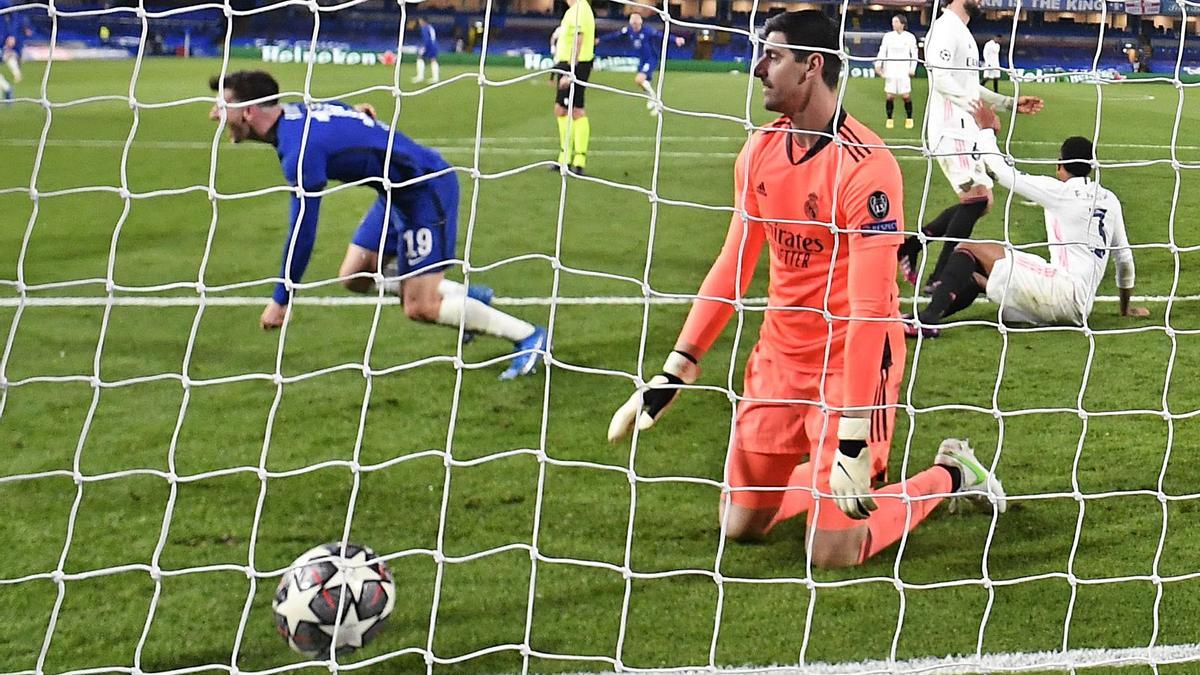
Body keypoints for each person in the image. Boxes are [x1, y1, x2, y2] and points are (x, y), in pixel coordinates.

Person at [606, 11, 1005, 569]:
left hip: (851, 365)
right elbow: (733, 264)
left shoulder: (867, 168)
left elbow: (870, 307)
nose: (758, 69)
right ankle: (825, 480)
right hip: (779, 360)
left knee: (833, 550)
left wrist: (853, 435)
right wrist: (677, 368)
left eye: (773, 56)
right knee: (739, 527)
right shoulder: (760, 153)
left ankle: (952, 471)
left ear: (813, 66)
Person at [207, 70, 547, 380]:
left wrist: (281, 298)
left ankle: (528, 336)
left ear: (248, 112)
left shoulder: (299, 151)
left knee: (420, 308)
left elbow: (303, 232)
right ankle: (467, 297)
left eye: (221, 107)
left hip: (425, 189)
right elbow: (337, 109)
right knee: (354, 276)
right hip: (394, 193)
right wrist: (358, 111)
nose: (214, 115)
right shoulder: (298, 113)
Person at [910, 102, 1148, 335]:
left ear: (1060, 164)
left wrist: (986, 130)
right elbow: (1124, 260)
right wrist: (1125, 309)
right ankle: (922, 317)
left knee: (967, 249)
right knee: (975, 274)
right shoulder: (1110, 200)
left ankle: (927, 319)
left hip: (1059, 292)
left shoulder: (1060, 192)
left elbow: (1001, 172)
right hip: (1081, 308)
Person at [896, 0, 1042, 301]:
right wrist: (976, 111)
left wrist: (1009, 103)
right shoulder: (944, 28)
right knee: (976, 198)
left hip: (964, 128)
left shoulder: (961, 31)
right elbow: (940, 77)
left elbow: (969, 84)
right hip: (950, 128)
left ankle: (913, 246)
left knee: (982, 200)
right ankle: (939, 277)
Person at [596, 12, 685, 116]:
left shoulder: (648, 31)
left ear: (640, 22)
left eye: (636, 22)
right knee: (642, 83)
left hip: (651, 59)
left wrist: (676, 39)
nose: (634, 25)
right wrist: (600, 40)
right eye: (633, 22)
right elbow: (614, 36)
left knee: (639, 79)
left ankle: (655, 101)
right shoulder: (628, 31)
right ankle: (652, 100)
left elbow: (661, 35)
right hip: (642, 60)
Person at [552, 0, 595, 175]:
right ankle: (568, 158)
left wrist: (570, 71)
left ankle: (576, 160)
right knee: (563, 109)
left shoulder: (580, 9)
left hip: (575, 66)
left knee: (574, 110)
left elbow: (579, 38)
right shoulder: (576, 9)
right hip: (572, 64)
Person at [873, 14, 917, 130]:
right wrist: (878, 64)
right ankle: (889, 119)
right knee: (889, 96)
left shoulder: (910, 37)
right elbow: (882, 51)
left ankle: (909, 118)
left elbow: (914, 54)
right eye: (893, 22)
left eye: (896, 22)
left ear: (902, 24)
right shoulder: (888, 37)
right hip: (891, 69)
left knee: (906, 96)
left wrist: (912, 68)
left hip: (904, 70)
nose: (894, 24)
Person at [0, 0, 32, 102]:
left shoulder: (3, 3)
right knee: (9, 56)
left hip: (1, 37)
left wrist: (12, 35)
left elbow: (14, 15)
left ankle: (7, 87)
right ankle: (7, 88)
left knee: (10, 55)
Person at [412, 17, 440, 84]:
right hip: (434, 45)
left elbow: (427, 39)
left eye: (420, 21)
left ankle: (421, 77)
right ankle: (435, 77)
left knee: (420, 57)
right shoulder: (430, 27)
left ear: (423, 21)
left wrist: (424, 47)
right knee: (432, 59)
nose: (419, 23)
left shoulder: (424, 28)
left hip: (429, 45)